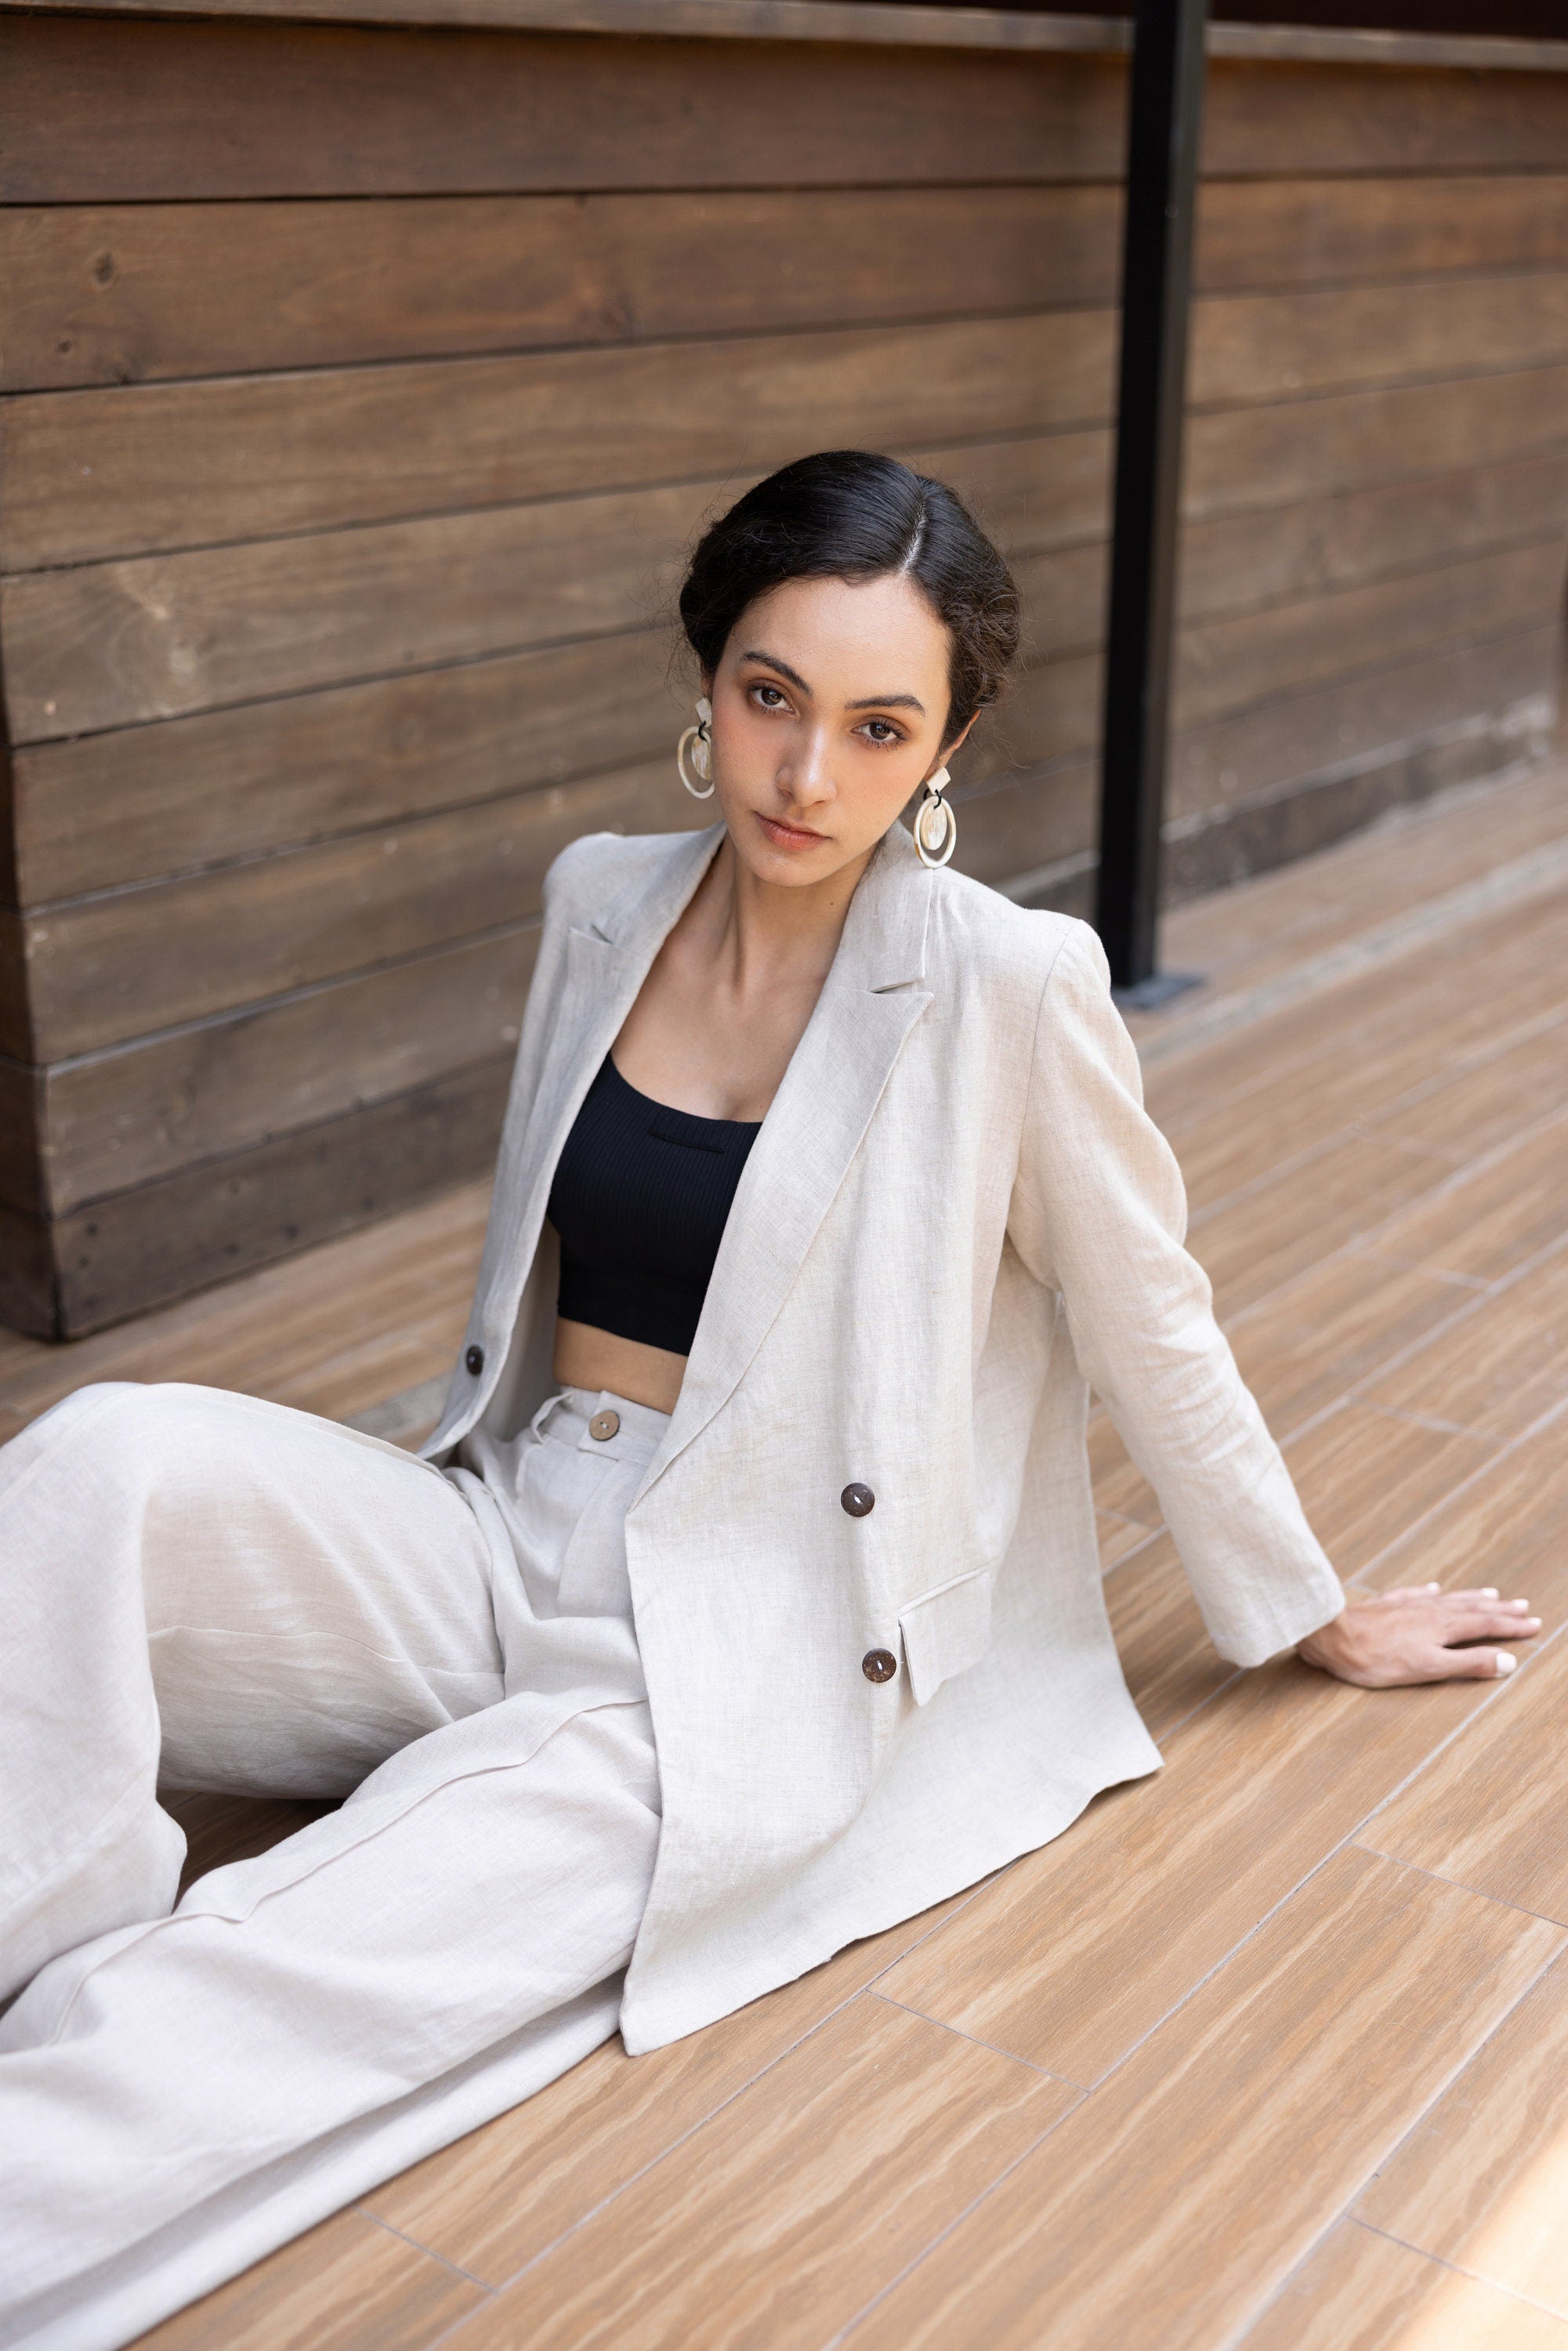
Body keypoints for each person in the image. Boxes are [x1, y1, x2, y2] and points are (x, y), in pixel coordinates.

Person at [0, 450, 1537, 2351]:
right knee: (98, 1461)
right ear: (706, 680)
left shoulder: (1006, 985)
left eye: (876, 726)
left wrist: (1300, 1606)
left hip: (740, 1645)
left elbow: (1156, 1316)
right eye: (768, 697)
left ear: (946, 745)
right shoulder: (598, 901)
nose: (805, 778)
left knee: (280, 1966)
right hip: (509, 1523)